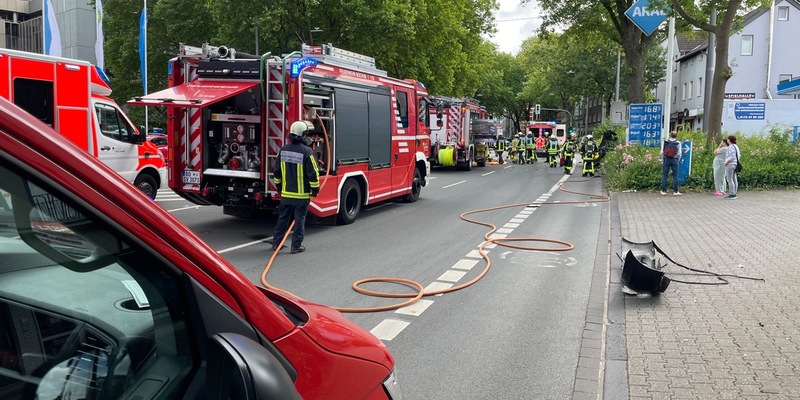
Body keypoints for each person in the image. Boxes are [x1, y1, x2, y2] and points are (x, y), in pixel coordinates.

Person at [272, 120, 321, 254]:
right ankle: (296, 246)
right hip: (302, 195)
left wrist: (279, 187)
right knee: (299, 219)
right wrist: (315, 190)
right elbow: (313, 174)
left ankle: (277, 243)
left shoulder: (283, 151)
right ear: (303, 135)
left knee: (283, 218)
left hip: (286, 194)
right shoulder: (307, 152)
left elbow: (276, 172)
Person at [660, 130, 682, 196]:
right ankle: (675, 191)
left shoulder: (665, 142)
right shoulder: (678, 143)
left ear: (670, 135)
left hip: (666, 159)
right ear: (676, 136)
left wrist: (663, 158)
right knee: (675, 176)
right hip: (675, 160)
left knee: (665, 175)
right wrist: (677, 159)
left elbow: (662, 152)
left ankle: (664, 191)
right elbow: (679, 153)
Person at [724, 134, 741, 200]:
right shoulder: (736, 146)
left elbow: (731, 156)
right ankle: (735, 191)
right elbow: (738, 155)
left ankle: (732, 193)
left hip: (730, 164)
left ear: (729, 140)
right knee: (734, 178)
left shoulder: (730, 147)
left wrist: (726, 162)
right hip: (735, 164)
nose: (727, 140)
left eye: (728, 139)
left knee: (729, 179)